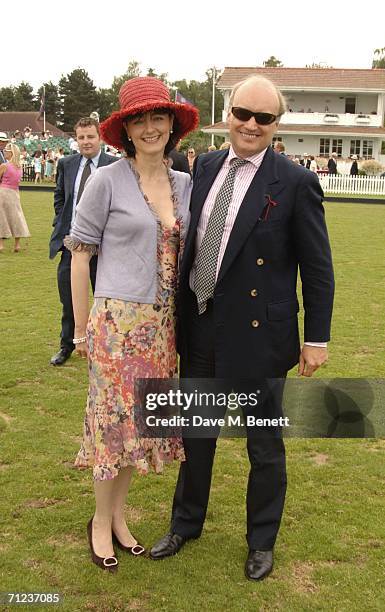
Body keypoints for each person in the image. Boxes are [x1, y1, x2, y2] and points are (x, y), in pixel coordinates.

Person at [150, 75, 334, 581]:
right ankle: (186, 525)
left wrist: (316, 338)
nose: (251, 125)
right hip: (203, 324)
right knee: (197, 436)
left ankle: (261, 540)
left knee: (263, 445)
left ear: (277, 125)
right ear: (228, 114)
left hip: (260, 337)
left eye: (264, 118)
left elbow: (317, 267)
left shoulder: (295, 182)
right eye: (243, 114)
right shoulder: (204, 165)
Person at [64, 76, 199, 571]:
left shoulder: (184, 182)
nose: (149, 127)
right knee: (111, 429)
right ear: (125, 129)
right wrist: (80, 331)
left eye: (157, 117)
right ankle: (100, 523)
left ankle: (119, 518)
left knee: (138, 430)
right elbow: (79, 255)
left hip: (163, 328)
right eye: (138, 119)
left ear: (172, 123)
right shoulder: (106, 180)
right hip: (116, 326)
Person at [49, 117, 117, 367]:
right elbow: (60, 196)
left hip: (105, 247)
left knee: (106, 300)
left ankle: (104, 345)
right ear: (76, 140)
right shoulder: (67, 164)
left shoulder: (115, 164)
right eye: (81, 137)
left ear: (100, 138)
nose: (86, 142)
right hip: (72, 244)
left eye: (90, 136)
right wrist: (61, 220)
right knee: (68, 298)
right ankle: (67, 344)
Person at [0, 143, 30, 253]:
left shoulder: (4, 166)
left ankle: (1, 244)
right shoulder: (19, 167)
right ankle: (17, 244)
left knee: (2, 217)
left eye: (6, 151)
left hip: (3, 192)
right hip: (15, 193)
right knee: (16, 217)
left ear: (10, 153)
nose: (4, 152)